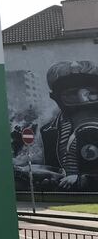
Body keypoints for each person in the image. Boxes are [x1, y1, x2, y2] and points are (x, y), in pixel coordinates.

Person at [40, 61, 98, 190]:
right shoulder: (48, 132)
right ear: (55, 97)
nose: (84, 100)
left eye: (92, 93)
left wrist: (83, 179)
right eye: (71, 94)